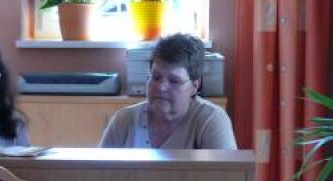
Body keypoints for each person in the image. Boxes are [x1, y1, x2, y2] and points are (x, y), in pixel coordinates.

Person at [99, 33, 237, 149]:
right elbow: (99, 172)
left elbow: (226, 174)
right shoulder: (124, 120)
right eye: (156, 77)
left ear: (195, 86)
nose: (161, 87)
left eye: (174, 81)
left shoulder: (211, 120)